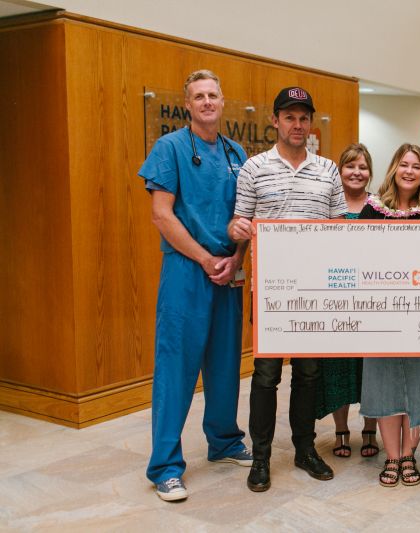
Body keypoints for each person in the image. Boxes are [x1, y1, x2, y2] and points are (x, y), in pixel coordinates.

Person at [138, 70, 252, 502]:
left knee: (225, 362)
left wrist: (236, 258)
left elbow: (244, 214)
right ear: (188, 105)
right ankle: (165, 466)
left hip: (228, 269)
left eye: (213, 95)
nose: (207, 102)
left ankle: (223, 440)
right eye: (198, 96)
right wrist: (206, 258)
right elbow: (161, 216)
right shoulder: (169, 148)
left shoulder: (235, 152)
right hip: (187, 271)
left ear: (223, 102)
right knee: (176, 367)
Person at [228, 86, 346, 492]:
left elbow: (337, 231)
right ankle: (260, 457)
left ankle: (304, 449)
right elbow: (237, 223)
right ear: (275, 121)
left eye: (303, 117)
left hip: (313, 290)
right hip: (270, 290)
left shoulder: (328, 170)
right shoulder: (254, 168)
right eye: (289, 117)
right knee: (265, 374)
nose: (297, 124)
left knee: (309, 372)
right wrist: (237, 230)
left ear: (310, 124)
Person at [358, 143, 420, 487]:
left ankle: (410, 452)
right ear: (394, 168)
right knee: (384, 382)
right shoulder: (373, 210)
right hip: (380, 315)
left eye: (416, 166)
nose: (409, 171)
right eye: (403, 165)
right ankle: (392, 456)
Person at [316, 143, 379, 459]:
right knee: (338, 365)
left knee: (371, 367)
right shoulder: (328, 204)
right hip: (336, 300)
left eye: (363, 167)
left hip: (372, 301)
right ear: (339, 171)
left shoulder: (381, 205)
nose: (357, 172)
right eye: (351, 166)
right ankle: (341, 430)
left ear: (370, 173)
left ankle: (370, 429)